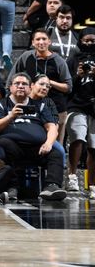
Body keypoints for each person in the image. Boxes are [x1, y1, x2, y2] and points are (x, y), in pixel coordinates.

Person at [0, 72, 67, 200]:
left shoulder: (40, 106)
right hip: (13, 148)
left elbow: (52, 127)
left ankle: (51, 186)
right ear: (10, 87)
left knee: (55, 152)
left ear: (30, 87)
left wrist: (48, 143)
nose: (20, 86)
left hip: (37, 148)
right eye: (17, 83)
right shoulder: (1, 104)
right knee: (2, 144)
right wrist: (10, 116)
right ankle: (11, 186)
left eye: (24, 84)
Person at [66, 29, 95, 196]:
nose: (89, 44)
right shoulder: (73, 59)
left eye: (92, 41)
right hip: (76, 104)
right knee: (77, 138)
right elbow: (67, 85)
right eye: (86, 41)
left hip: (94, 106)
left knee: (94, 147)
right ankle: (72, 176)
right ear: (80, 41)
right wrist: (77, 75)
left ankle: (92, 185)